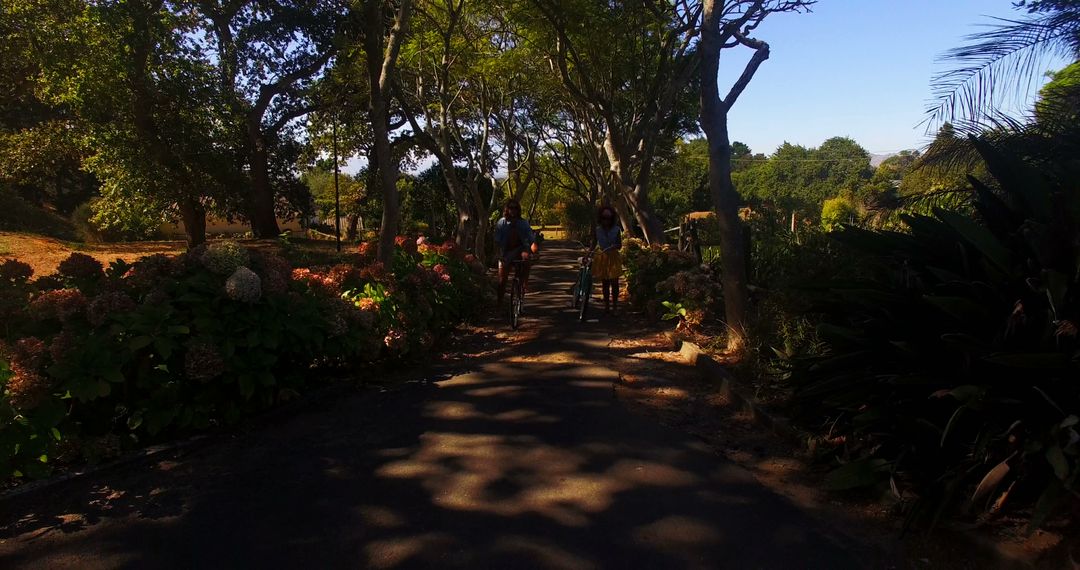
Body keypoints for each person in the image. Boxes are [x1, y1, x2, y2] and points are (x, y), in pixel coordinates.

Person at [494, 198, 537, 306]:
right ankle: (499, 304)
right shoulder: (501, 223)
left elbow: (531, 241)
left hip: (520, 250)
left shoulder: (524, 223)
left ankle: (523, 285)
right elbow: (497, 241)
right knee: (501, 281)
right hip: (505, 252)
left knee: (526, 258)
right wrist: (498, 254)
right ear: (507, 209)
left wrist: (536, 252)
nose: (513, 210)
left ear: (518, 210)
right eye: (511, 208)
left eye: (515, 208)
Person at [592, 205, 622, 313]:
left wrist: (614, 246)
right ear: (601, 218)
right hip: (602, 257)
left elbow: (619, 245)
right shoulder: (598, 230)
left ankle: (614, 305)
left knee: (614, 282)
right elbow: (594, 243)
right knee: (605, 283)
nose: (606, 221)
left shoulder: (617, 229)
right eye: (604, 218)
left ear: (612, 218)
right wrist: (588, 254)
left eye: (608, 218)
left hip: (613, 257)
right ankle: (606, 306)